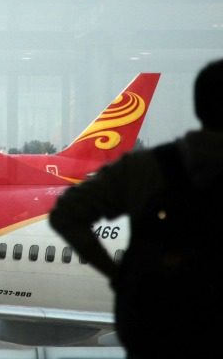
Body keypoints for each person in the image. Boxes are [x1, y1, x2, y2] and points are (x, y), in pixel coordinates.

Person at [49, 59, 223, 358]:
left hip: (155, 322)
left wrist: (117, 275)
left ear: (197, 109)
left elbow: (66, 214)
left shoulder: (148, 168)